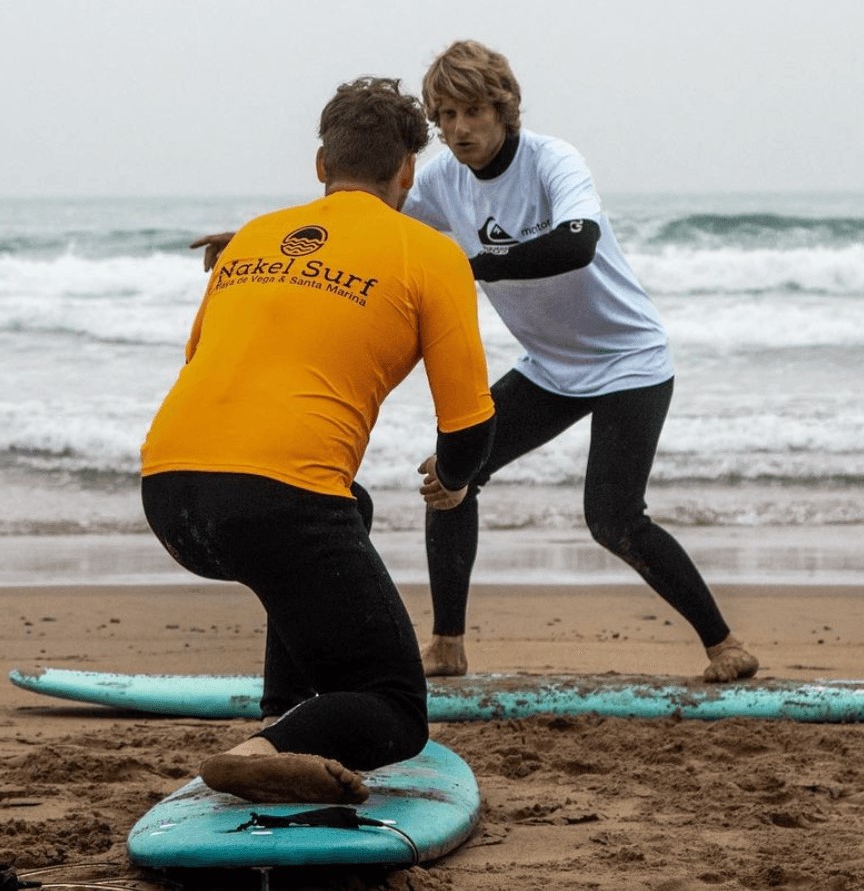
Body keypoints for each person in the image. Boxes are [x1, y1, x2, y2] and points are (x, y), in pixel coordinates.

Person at [143, 76, 495, 804]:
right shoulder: (430, 254)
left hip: (169, 497)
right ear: (407, 172)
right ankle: (257, 752)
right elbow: (468, 422)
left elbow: (200, 365)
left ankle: (281, 710)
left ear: (319, 166)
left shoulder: (249, 242)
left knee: (349, 503)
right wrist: (455, 481)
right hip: (276, 510)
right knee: (396, 710)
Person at [402, 40, 758, 684]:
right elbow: (370, 224)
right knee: (449, 478)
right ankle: (447, 645)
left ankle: (724, 644)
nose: (459, 130)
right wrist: (270, 234)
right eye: (446, 116)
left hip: (630, 361)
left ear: (504, 108)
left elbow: (578, 243)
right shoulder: (440, 180)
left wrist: (471, 264)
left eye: (473, 111)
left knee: (612, 517)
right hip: (550, 365)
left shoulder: (551, 160)